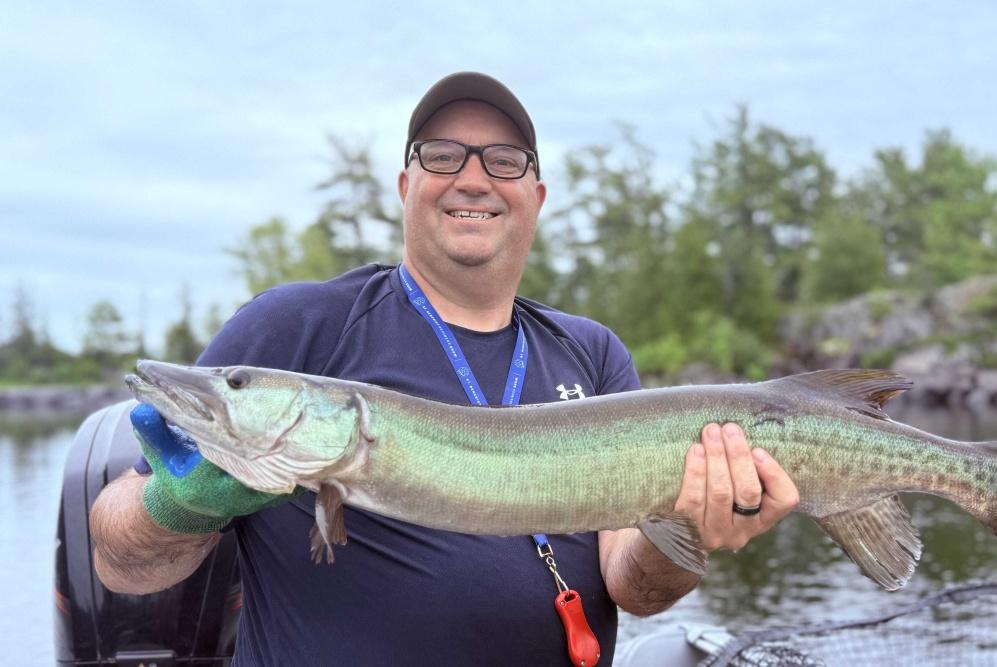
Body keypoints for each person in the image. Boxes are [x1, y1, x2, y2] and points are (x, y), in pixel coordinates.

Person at [89, 72, 800, 666]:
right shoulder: (297, 324)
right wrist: (179, 506)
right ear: (406, 185)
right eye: (442, 155)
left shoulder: (593, 351)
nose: (472, 177)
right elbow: (120, 562)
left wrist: (689, 529)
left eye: (504, 159)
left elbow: (635, 586)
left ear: (536, 196)